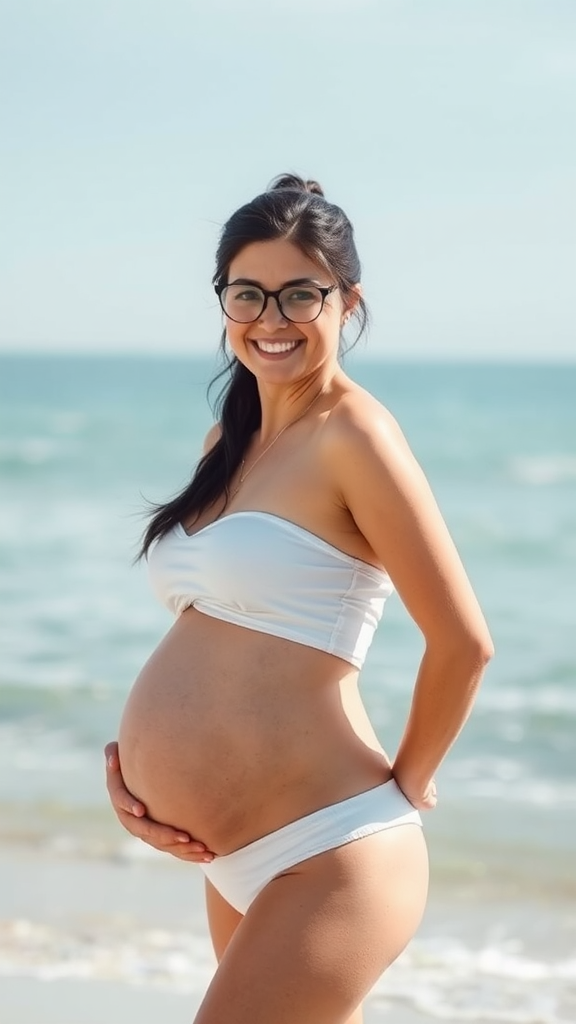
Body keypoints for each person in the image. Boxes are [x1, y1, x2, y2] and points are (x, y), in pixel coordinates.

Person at [104, 173, 494, 1024]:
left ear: (347, 302)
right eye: (248, 293)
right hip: (234, 855)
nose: (270, 319)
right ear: (222, 301)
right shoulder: (228, 441)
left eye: (299, 295)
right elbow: (222, 636)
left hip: (332, 847)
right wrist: (137, 776)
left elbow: (464, 643)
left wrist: (410, 780)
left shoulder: (357, 436)